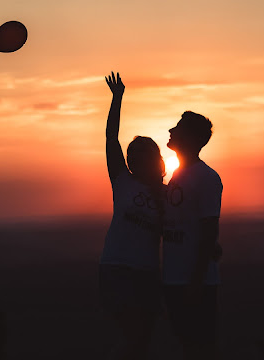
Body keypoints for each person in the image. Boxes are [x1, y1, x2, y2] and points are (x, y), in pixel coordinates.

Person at [99, 72, 166, 360]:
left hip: (148, 274)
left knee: (142, 341)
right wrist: (117, 99)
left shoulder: (167, 194)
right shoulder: (122, 181)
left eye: (139, 154)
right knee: (134, 337)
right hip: (117, 270)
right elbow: (110, 137)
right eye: (130, 154)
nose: (131, 158)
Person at [162, 111, 223, 360]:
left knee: (198, 347)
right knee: (186, 346)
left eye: (178, 128)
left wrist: (195, 283)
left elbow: (209, 231)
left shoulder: (207, 178)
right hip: (174, 279)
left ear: (191, 138)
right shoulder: (178, 176)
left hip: (194, 283)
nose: (170, 131)